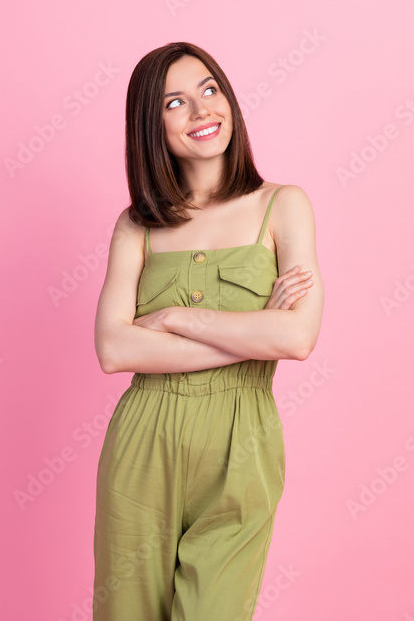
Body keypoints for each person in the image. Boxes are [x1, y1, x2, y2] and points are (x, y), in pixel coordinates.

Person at [90, 42, 324, 620]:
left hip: (241, 440)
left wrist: (176, 319)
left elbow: (296, 339)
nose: (201, 111)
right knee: (128, 612)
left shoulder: (283, 205)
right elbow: (114, 349)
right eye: (175, 101)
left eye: (209, 90)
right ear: (151, 123)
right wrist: (250, 330)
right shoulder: (137, 226)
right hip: (144, 439)